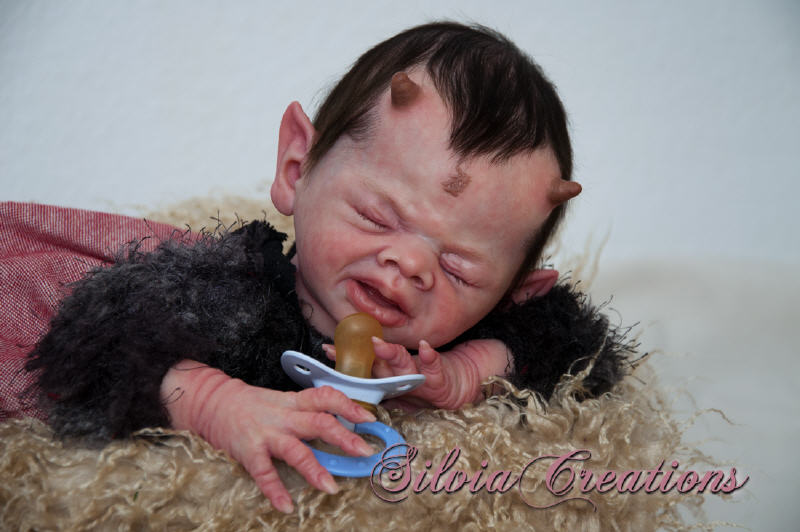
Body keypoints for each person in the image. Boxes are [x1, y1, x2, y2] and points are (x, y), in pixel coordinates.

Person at [5, 22, 630, 514]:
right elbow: (100, 338)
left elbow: (579, 346)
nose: (410, 262)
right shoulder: (234, 290)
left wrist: (470, 372)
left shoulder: (453, 346)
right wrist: (215, 402)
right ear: (297, 169)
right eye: (377, 217)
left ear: (514, 292)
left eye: (460, 268)